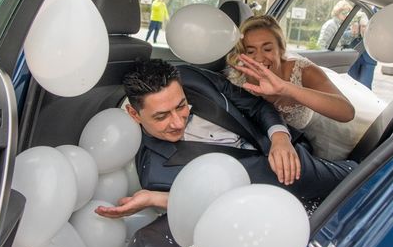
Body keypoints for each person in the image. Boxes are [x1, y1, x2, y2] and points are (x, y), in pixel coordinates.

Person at [95, 58, 356, 219]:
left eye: (181, 106)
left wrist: (279, 138)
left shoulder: (194, 78)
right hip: (273, 202)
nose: (177, 122)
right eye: (161, 116)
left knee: (360, 176)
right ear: (134, 113)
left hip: (296, 150)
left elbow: (256, 106)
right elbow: (205, 202)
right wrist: (155, 199)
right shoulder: (156, 173)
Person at [226, 15, 355, 134]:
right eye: (250, 51)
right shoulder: (237, 78)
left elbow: (347, 112)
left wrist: (286, 88)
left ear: (281, 49)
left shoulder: (303, 71)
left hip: (304, 139)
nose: (259, 58)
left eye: (267, 49)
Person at [344, 15, 377, 89]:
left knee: (365, 86)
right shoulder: (354, 14)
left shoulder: (378, 14)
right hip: (354, 57)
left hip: (370, 58)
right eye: (363, 26)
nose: (365, 29)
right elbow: (343, 35)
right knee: (351, 84)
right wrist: (352, 32)